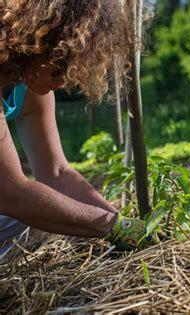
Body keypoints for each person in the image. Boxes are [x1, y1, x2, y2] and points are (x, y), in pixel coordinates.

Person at [0, 0, 156, 258]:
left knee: (24, 216)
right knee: (21, 208)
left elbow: (57, 173)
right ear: (36, 43)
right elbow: (10, 193)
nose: (64, 81)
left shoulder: (27, 88)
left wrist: (120, 221)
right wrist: (110, 226)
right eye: (60, 65)